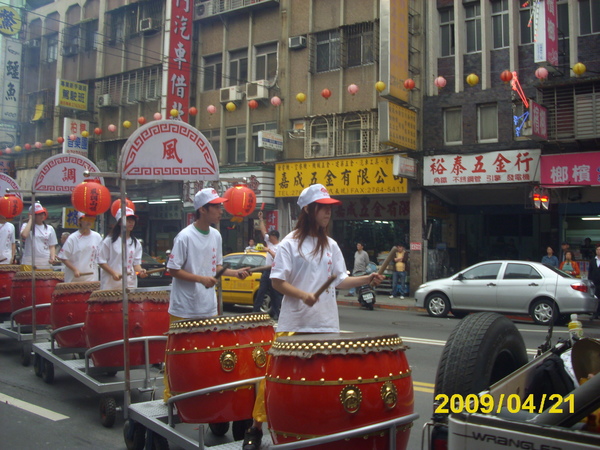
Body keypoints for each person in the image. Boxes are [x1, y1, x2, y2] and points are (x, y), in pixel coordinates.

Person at [242, 184, 384, 450]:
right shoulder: (289, 243)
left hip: (326, 324)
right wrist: (303, 294)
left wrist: (367, 279)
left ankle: (314, 429)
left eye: (330, 207)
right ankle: (255, 427)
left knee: (322, 379)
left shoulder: (331, 245)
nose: (328, 212)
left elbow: (341, 279)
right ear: (308, 210)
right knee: (274, 378)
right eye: (323, 207)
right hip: (295, 323)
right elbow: (277, 282)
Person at [164, 188, 251, 401]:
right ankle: (172, 395)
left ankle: (200, 393)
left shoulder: (216, 235)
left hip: (207, 307)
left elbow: (216, 267)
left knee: (205, 354)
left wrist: (234, 272)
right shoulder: (184, 236)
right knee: (179, 355)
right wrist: (200, 279)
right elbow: (173, 269)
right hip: (184, 308)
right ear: (203, 209)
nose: (221, 210)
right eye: (217, 206)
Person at [98, 207, 147, 290]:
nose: (131, 222)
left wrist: (141, 271)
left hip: (130, 283)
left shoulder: (136, 243)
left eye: (133, 220)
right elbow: (101, 261)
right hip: (111, 284)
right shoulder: (109, 241)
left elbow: (136, 265)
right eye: (128, 220)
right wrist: (113, 273)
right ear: (120, 222)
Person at [253, 210, 283, 319]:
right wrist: (261, 219)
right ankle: (255, 312)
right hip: (266, 272)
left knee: (275, 294)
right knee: (261, 291)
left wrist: (268, 250)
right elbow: (263, 230)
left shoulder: (280, 246)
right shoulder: (269, 242)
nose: (268, 238)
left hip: (275, 272)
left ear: (274, 236)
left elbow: (278, 258)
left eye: (270, 236)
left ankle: (277, 313)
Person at [57, 212, 102, 283]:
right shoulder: (72, 238)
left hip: (92, 278)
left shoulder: (97, 237)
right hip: (74, 278)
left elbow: (101, 256)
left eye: (91, 219)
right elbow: (63, 257)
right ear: (80, 221)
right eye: (86, 219)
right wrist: (75, 269)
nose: (89, 222)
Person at [20, 202, 58, 270]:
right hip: (29, 261)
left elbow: (52, 246)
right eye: (38, 214)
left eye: (42, 213)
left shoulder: (49, 228)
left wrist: (52, 258)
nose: (42, 216)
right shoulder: (26, 226)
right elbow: (24, 235)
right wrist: (31, 220)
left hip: (45, 262)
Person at [587, 245, 600, 319]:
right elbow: (590, 272)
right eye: (597, 250)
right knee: (595, 298)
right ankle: (595, 313)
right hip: (595, 282)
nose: (598, 251)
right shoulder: (593, 260)